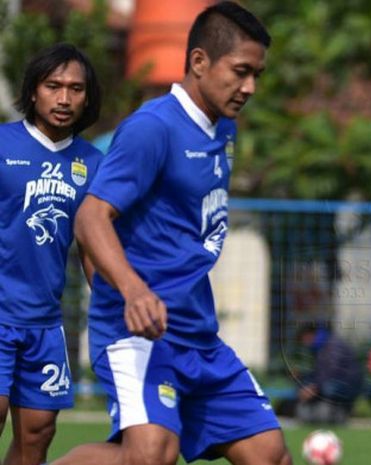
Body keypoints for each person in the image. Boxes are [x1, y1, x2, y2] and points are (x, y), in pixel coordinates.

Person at [51, 4, 291, 465]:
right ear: (199, 61)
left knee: (269, 454)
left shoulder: (224, 129)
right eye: (241, 72)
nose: (250, 88)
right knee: (152, 454)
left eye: (257, 74)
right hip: (136, 332)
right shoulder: (152, 128)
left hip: (196, 332)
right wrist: (130, 291)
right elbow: (91, 218)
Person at [0, 43, 101, 465]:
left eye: (75, 88)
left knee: (39, 433)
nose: (64, 98)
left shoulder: (93, 163)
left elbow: (94, 247)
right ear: (33, 91)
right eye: (53, 86)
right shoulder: (3, 144)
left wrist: (114, 309)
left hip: (44, 322)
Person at [295, 323, 363, 425]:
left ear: (309, 335)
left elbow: (333, 371)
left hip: (347, 383)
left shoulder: (333, 345)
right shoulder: (319, 348)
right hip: (329, 381)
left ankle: (337, 412)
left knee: (328, 387)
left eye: (304, 340)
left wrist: (314, 387)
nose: (305, 344)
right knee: (302, 384)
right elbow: (318, 372)